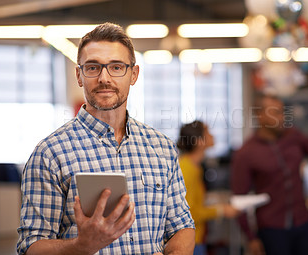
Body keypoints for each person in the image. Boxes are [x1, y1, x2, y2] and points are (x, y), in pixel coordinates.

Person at [17, 22, 195, 255]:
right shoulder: (50, 154)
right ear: (79, 75)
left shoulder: (161, 148)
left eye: (116, 67)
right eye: (93, 68)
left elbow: (182, 226)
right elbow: (30, 246)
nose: (104, 78)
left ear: (134, 74)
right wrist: (82, 246)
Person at [231, 95, 308, 255]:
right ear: (260, 115)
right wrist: (251, 237)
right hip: (271, 229)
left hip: (303, 221)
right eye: (276, 113)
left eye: (282, 112)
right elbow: (239, 200)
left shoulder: (294, 136)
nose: (282, 117)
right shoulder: (245, 153)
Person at [177, 120, 239, 255]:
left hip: (196, 238)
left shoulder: (193, 167)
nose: (213, 135)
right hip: (189, 241)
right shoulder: (187, 169)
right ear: (199, 141)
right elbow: (190, 213)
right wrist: (221, 210)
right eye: (208, 132)